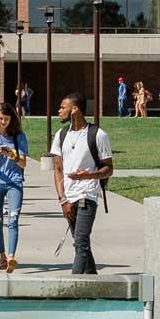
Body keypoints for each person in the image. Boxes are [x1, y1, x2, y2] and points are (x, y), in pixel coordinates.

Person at [53, 92, 113, 275]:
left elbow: (108, 169)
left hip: (87, 195)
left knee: (80, 241)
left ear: (75, 109)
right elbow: (57, 169)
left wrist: (90, 176)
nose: (59, 111)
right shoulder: (61, 135)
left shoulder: (98, 135)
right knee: (81, 244)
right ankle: (93, 281)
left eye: (63, 107)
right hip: (68, 197)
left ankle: (72, 287)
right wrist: (63, 199)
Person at [0, 103, 28, 273]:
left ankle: (11, 256)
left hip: (14, 182)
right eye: (1, 118)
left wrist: (12, 154)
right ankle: (1, 254)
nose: (3, 122)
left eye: (7, 119)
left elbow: (23, 163)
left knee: (13, 219)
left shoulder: (19, 136)